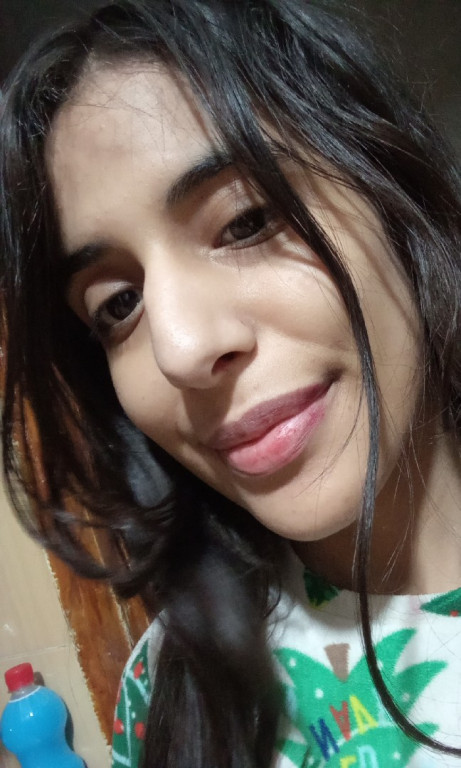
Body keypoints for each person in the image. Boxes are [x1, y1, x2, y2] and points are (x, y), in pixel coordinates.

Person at [1, 0, 460, 766]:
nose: (179, 350)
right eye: (118, 305)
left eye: (244, 222)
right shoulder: (167, 689)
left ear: (390, 191)